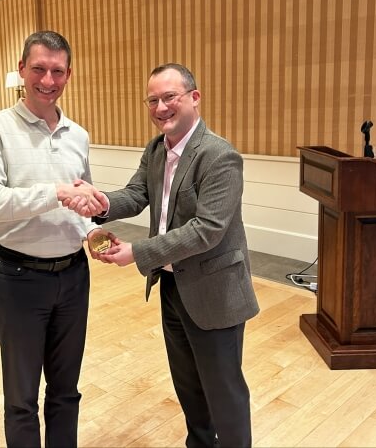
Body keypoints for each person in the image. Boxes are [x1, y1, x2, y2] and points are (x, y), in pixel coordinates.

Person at [84, 63, 259, 448]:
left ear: (194, 98)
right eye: (153, 100)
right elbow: (135, 194)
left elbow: (207, 231)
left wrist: (137, 252)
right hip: (173, 286)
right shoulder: (156, 150)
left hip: (214, 293)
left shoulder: (219, 156)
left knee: (224, 392)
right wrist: (98, 203)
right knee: (189, 386)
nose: (160, 107)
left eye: (169, 97)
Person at [0, 30, 103, 448]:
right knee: (22, 398)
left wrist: (95, 228)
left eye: (58, 71)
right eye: (39, 69)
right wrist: (57, 192)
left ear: (69, 74)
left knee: (66, 391)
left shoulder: (77, 135)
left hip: (74, 278)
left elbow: (83, 200)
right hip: (17, 278)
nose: (48, 79)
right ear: (22, 70)